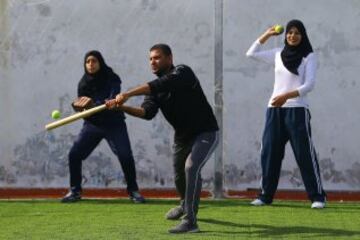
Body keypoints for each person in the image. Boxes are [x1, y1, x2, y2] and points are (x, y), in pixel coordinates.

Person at [106, 43, 219, 233]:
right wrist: (122, 107)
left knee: (191, 168)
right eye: (150, 59)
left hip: (205, 132)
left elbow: (162, 84)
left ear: (169, 58)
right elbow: (146, 112)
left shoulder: (183, 73)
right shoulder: (154, 90)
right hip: (182, 138)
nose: (153, 62)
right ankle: (185, 204)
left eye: (157, 57)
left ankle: (190, 221)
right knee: (179, 177)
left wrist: (126, 94)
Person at [245, 20, 326, 208]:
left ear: (303, 35)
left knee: (304, 154)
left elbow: (309, 85)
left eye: (297, 33)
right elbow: (251, 53)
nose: (292, 36)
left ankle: (317, 197)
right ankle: (265, 196)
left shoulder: (309, 56)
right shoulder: (277, 54)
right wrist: (267, 34)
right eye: (289, 32)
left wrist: (286, 96)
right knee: (269, 153)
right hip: (274, 110)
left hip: (297, 110)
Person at [61, 50, 145, 204]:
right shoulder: (83, 83)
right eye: (88, 62)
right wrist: (79, 109)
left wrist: (94, 104)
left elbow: (113, 101)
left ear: (100, 62)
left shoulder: (112, 78)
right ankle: (75, 191)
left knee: (125, 155)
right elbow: (85, 112)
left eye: (94, 61)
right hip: (93, 124)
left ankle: (133, 191)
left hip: (114, 123)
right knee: (74, 154)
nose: (90, 64)